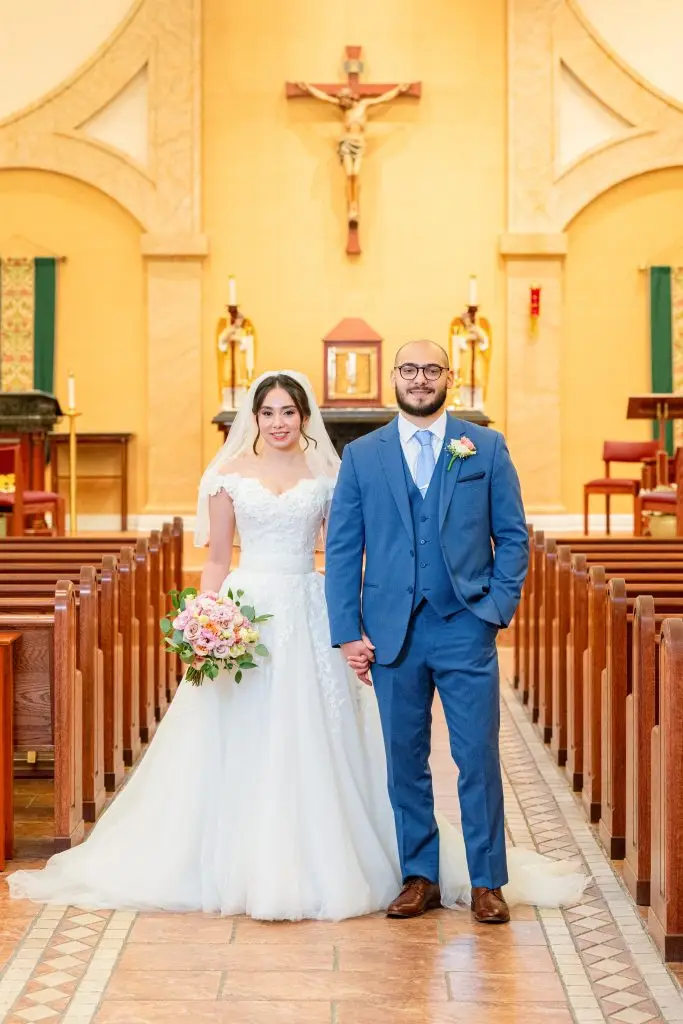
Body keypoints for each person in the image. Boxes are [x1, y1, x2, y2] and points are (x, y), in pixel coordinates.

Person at [6, 370, 584, 920]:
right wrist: (205, 617)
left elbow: (344, 553)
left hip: (309, 611)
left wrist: (354, 628)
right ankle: (246, 860)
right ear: (253, 418)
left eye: (288, 412)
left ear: (305, 418)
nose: (278, 421)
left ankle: (419, 869)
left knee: (326, 735)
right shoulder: (228, 474)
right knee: (245, 734)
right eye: (267, 412)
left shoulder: (332, 473)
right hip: (247, 608)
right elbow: (214, 559)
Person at [325, 340, 527, 923]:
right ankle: (420, 876)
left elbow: (512, 537)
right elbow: (343, 551)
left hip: (465, 625)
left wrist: (494, 609)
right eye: (409, 370)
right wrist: (347, 632)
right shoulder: (363, 455)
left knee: (476, 754)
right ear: (394, 377)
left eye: (430, 369)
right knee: (403, 759)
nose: (419, 379)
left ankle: (488, 880)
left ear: (448, 377)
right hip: (392, 634)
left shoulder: (483, 446)